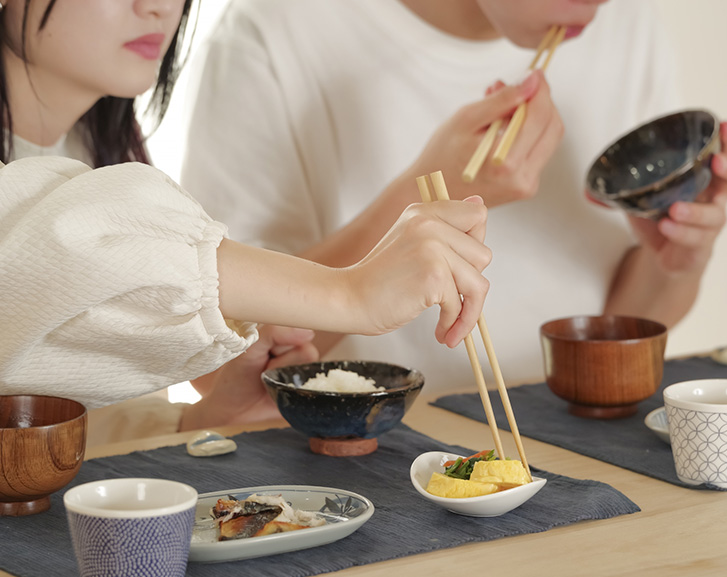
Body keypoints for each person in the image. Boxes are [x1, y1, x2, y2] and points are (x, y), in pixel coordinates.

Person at [181, 0, 727, 393]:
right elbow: (213, 368)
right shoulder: (273, 32)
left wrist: (671, 262)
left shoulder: (624, 21)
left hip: (572, 441)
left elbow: (630, 321)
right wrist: (425, 195)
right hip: (366, 468)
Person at [0, 0, 491, 440]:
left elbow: (50, 416)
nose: (158, 8)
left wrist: (202, 420)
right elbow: (63, 256)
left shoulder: (98, 150)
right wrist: (350, 293)